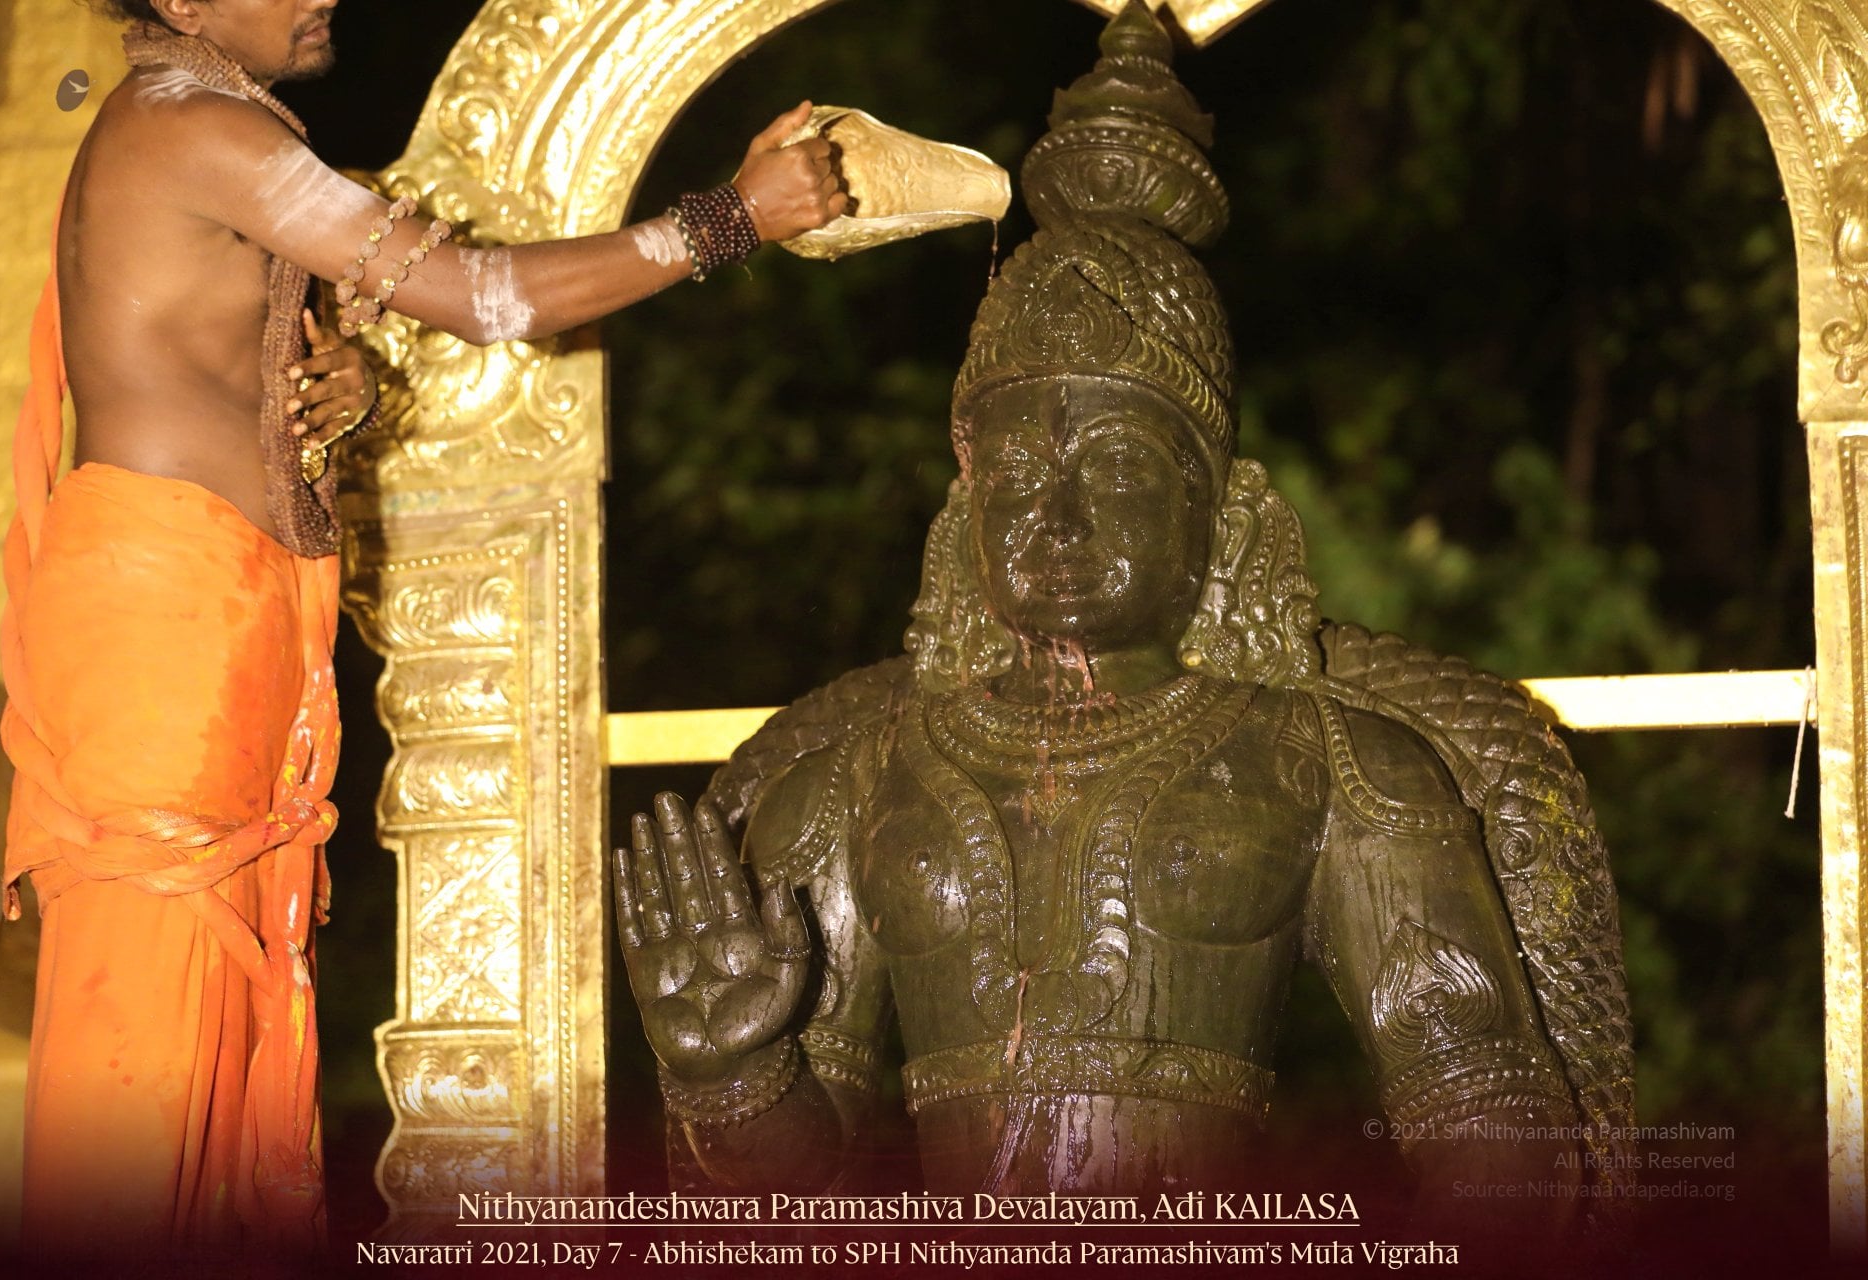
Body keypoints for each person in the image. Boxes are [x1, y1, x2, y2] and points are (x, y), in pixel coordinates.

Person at [613, 1, 1634, 1243]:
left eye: (1119, 468)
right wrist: (737, 1079)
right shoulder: (850, 784)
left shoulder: (1340, 767)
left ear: (1219, 512)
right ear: (964, 507)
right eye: (1015, 475)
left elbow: (1498, 1147)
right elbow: (786, 1204)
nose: (1058, 516)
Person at [0, 0, 845, 1255]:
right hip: (164, 645)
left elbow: (230, 364)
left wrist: (341, 383)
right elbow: (486, 298)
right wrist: (736, 215)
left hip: (215, 629)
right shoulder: (190, 125)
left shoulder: (201, 124)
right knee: (143, 1065)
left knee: (215, 1066)